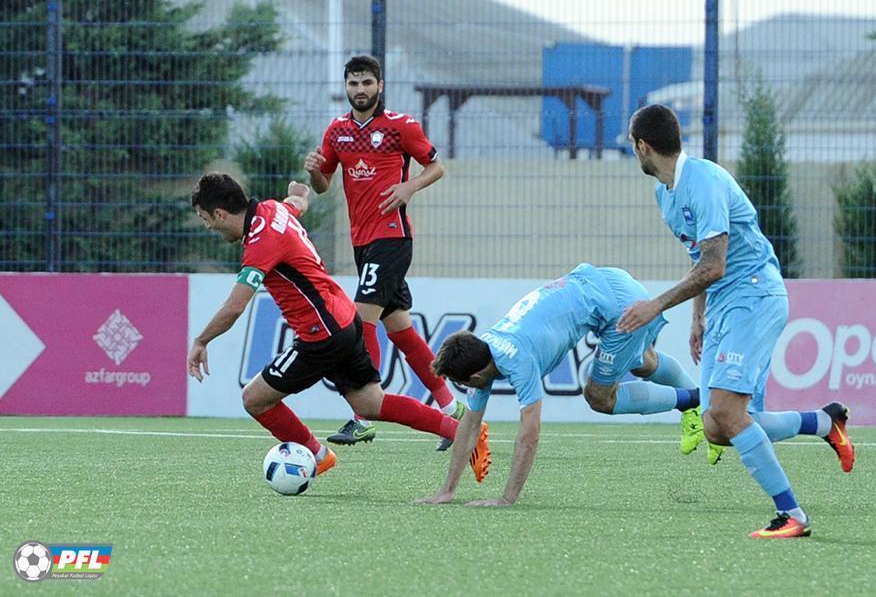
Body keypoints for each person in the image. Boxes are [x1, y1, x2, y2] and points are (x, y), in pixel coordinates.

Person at [619, 104, 855, 538]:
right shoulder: (665, 193)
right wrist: (698, 316)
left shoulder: (704, 182)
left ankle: (793, 515)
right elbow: (701, 258)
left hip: (753, 296)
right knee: (716, 427)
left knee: (727, 413)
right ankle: (824, 422)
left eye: (632, 145)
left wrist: (656, 306)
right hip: (726, 304)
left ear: (642, 145)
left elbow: (715, 265)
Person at [186, 173, 491, 484]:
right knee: (370, 404)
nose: (208, 226)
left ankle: (318, 457)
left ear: (220, 214)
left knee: (254, 399)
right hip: (345, 320)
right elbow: (295, 204)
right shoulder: (273, 210)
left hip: (321, 335)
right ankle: (463, 431)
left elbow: (235, 306)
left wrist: (200, 341)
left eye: (205, 218)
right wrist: (301, 193)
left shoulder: (261, 241)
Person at [416, 264, 704, 507]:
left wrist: (506, 499)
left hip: (620, 307)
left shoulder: (518, 360)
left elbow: (529, 434)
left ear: (476, 377)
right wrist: (447, 491)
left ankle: (693, 400)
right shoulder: (485, 348)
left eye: (460, 383)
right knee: (643, 363)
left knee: (600, 397)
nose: (462, 387)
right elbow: (469, 424)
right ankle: (701, 404)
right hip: (609, 279)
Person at [304, 54, 462, 450]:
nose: (360, 90)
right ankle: (451, 407)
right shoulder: (337, 131)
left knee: (361, 322)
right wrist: (314, 171)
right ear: (346, 87)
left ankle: (363, 415)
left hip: (391, 238)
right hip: (363, 242)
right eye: (353, 83)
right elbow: (323, 185)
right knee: (401, 330)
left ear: (380, 86)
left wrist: (409, 187)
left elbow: (437, 167)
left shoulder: (399, 126)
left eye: (366, 83)